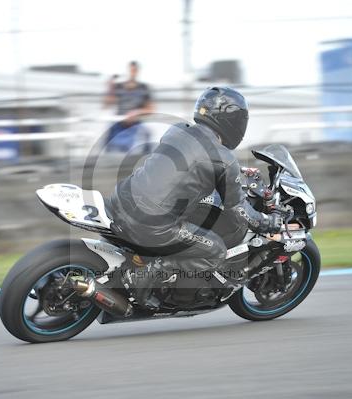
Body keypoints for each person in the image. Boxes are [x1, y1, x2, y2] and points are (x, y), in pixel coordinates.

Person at [107, 87, 283, 308]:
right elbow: (237, 209)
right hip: (152, 225)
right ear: (232, 121)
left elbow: (187, 167)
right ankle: (148, 274)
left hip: (120, 201)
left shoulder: (177, 130)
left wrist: (234, 174)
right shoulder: (224, 159)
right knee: (215, 250)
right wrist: (268, 222)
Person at [103, 61, 154, 152]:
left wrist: (137, 112)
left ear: (137, 71)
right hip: (119, 123)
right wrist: (111, 86)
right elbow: (106, 105)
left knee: (146, 136)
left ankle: (146, 162)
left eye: (134, 70)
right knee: (106, 139)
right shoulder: (118, 86)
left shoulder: (144, 87)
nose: (132, 73)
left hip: (136, 124)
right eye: (130, 70)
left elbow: (151, 109)